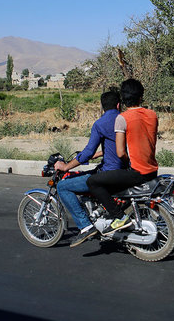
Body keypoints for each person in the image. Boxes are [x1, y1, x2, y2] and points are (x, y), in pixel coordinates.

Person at [86, 79, 159, 237]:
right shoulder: (153, 115)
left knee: (92, 181)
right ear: (141, 96)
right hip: (153, 170)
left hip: (137, 173)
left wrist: (128, 163)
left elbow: (120, 152)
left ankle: (119, 217)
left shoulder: (122, 118)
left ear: (123, 100)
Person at [54, 90, 125, 247]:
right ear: (119, 105)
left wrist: (66, 166)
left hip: (108, 173)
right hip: (125, 171)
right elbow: (118, 145)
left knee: (63, 186)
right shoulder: (125, 120)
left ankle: (85, 226)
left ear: (102, 107)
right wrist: (101, 153)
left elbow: (87, 153)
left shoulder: (100, 123)